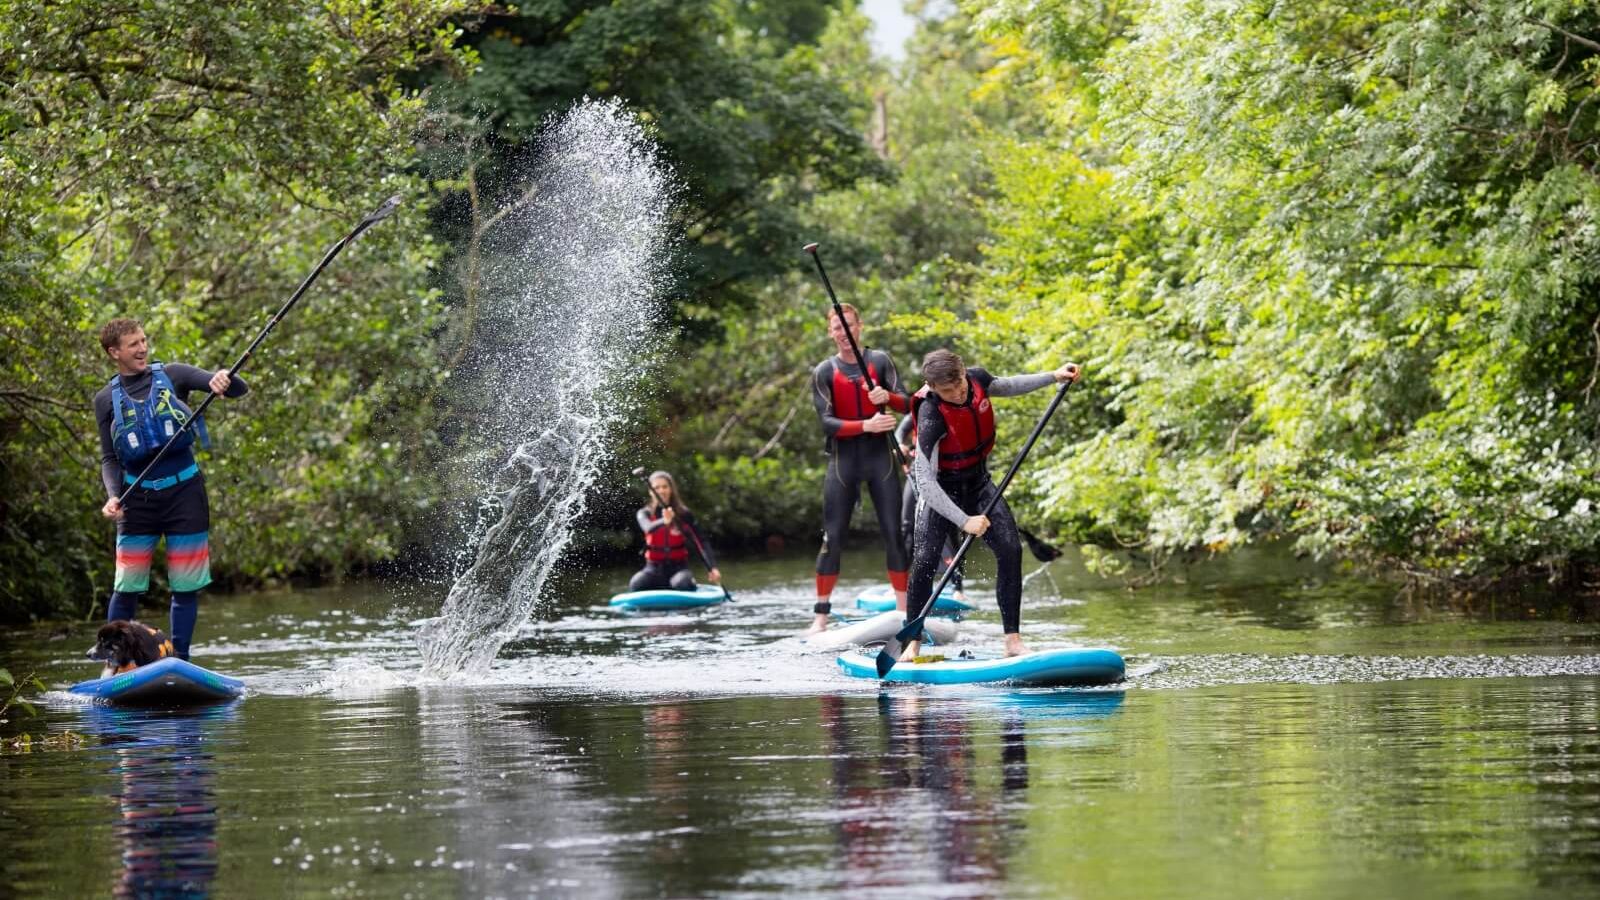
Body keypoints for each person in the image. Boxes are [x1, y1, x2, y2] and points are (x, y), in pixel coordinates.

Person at [900, 348, 1080, 660]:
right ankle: (911, 644)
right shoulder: (931, 415)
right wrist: (963, 520)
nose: (956, 394)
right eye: (947, 391)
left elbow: (1008, 385)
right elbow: (926, 484)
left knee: (1011, 549)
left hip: (980, 484)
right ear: (932, 389)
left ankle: (1012, 640)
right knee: (926, 560)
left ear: (964, 372)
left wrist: (1053, 376)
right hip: (942, 492)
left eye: (959, 385)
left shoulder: (978, 379)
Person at [95, 318, 249, 660]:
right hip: (138, 501)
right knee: (127, 586)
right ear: (113, 352)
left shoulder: (175, 375)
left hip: (185, 496)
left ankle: (180, 660)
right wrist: (112, 495)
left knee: (185, 587)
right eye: (133, 344)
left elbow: (239, 389)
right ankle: (115, 661)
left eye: (144, 341)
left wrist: (224, 378)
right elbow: (109, 458)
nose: (142, 348)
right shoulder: (105, 400)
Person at [808, 303, 911, 634]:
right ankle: (820, 618)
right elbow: (826, 422)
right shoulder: (824, 371)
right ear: (831, 332)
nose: (843, 333)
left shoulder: (879, 361)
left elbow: (908, 403)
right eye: (837, 328)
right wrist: (866, 425)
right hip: (843, 463)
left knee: (894, 534)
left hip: (880, 460)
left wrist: (888, 398)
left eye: (848, 326)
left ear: (859, 327)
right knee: (832, 538)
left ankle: (904, 610)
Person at [896, 415, 966, 601]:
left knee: (949, 528)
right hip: (918, 473)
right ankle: (901, 586)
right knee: (906, 526)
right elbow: (899, 433)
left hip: (946, 476)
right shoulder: (916, 412)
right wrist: (900, 446)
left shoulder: (952, 410)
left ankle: (957, 587)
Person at [630, 471, 722, 592]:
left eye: (665, 487)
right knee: (636, 584)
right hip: (653, 568)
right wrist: (665, 521)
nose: (661, 491)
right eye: (656, 487)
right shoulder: (644, 513)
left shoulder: (684, 514)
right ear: (650, 491)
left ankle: (689, 584)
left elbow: (701, 541)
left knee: (682, 583)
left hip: (679, 568)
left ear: (671, 489)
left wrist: (712, 568)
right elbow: (647, 528)